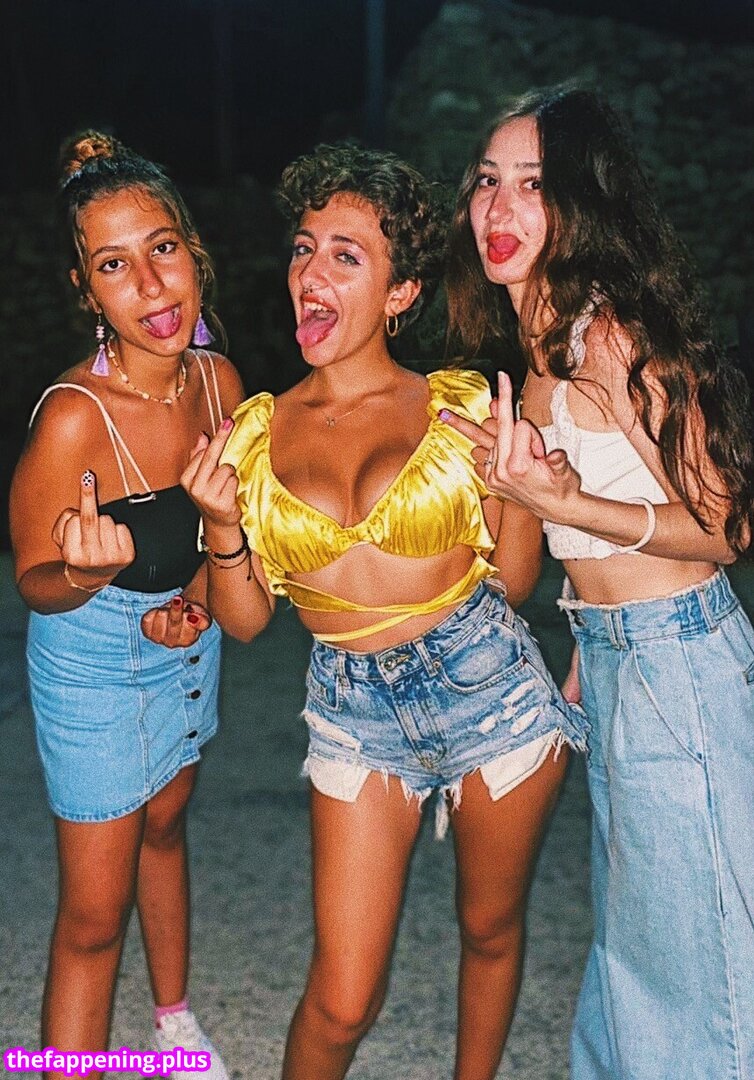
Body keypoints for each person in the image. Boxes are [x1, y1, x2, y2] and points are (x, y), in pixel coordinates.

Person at [181, 143, 588, 1080]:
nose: (310, 273)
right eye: (303, 248)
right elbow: (245, 620)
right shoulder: (253, 433)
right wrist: (222, 526)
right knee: (341, 998)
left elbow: (512, 581)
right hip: (353, 711)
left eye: (345, 255)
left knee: (489, 931)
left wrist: (518, 488)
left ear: (401, 292)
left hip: (492, 690)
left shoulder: (460, 405)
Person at [442, 87, 754, 1080]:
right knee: (634, 952)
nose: (499, 208)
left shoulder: (608, 335)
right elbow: (561, 551)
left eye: (533, 185)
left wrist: (567, 501)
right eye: (487, 181)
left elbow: (725, 526)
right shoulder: (537, 357)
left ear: (581, 201)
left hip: (681, 665)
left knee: (703, 967)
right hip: (619, 664)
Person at [9, 131, 244, 1080]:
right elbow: (34, 581)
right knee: (94, 916)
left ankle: (174, 1025)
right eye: (114, 265)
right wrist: (84, 575)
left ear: (194, 250)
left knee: (166, 825)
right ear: (86, 290)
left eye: (163, 248)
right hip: (89, 657)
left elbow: (218, 535)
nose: (150, 285)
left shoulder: (221, 383)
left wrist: (194, 603)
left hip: (183, 643)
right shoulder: (73, 416)